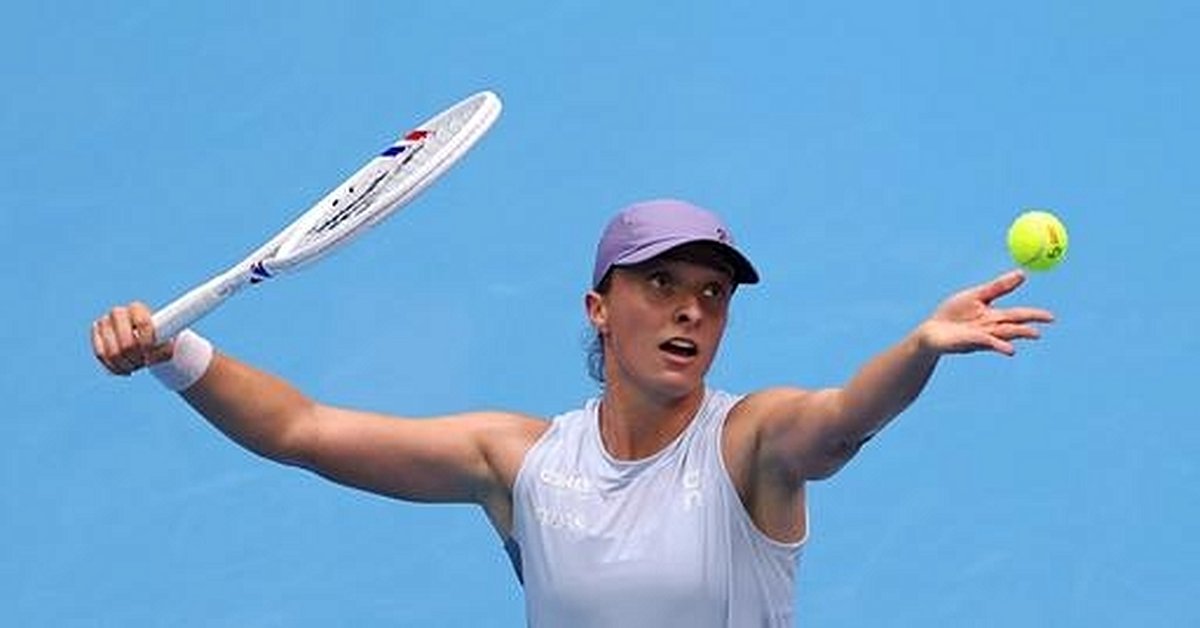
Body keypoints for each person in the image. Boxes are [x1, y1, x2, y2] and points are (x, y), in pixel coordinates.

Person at [92, 198, 1053, 627]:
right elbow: (302, 431)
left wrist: (919, 350)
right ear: (599, 307)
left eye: (713, 293)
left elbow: (842, 416)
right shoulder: (518, 463)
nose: (691, 309)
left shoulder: (750, 444)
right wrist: (177, 354)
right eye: (662, 284)